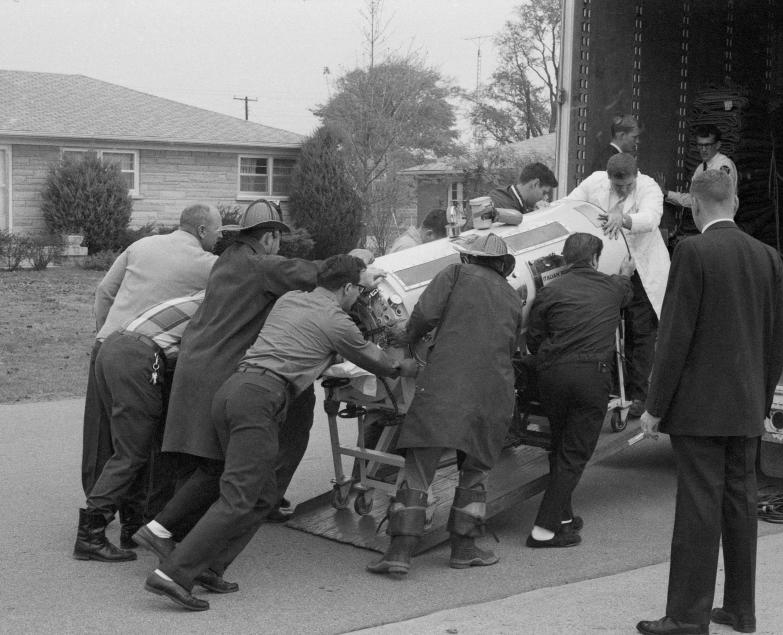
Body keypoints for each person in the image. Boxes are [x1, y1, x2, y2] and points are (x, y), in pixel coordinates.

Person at [144, 255, 418, 611]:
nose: (359, 296)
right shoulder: (336, 320)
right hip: (260, 399)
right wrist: (410, 364)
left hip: (233, 391)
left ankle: (211, 566)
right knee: (240, 496)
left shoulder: (291, 299)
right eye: (358, 289)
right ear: (348, 288)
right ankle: (172, 574)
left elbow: (303, 343)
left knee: (263, 494)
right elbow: (380, 362)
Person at [132, 200, 344, 554]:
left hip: (192, 364)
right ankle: (167, 532)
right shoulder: (259, 266)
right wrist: (352, 267)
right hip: (219, 370)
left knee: (196, 457)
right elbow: (309, 272)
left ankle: (177, 536)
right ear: (270, 238)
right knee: (221, 463)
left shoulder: (226, 262)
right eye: (278, 239)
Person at [634, 169, 783, 635]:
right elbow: (776, 343)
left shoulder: (692, 251)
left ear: (696, 207)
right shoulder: (769, 258)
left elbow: (675, 337)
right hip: (745, 409)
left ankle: (686, 616)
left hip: (699, 412)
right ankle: (741, 610)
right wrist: (761, 401)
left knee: (699, 509)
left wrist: (655, 407)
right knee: (741, 506)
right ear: (735, 203)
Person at [367, 233, 522, 576]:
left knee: (419, 472)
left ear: (470, 258)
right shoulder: (512, 296)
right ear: (502, 266)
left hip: (446, 387)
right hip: (492, 394)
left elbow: (424, 315)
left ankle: (399, 553)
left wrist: (406, 337)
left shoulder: (454, 274)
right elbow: (511, 345)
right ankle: (464, 550)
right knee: (475, 473)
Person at [82, 203, 220, 545]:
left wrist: (106, 331)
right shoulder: (209, 265)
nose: (219, 240)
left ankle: (106, 510)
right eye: (218, 232)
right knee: (143, 441)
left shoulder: (142, 245)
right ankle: (110, 525)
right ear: (202, 231)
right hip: (145, 356)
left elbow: (104, 292)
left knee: (103, 438)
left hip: (107, 346)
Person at [73, 291, 206, 563]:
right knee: (131, 452)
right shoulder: (222, 303)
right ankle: (90, 536)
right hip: (140, 355)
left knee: (136, 445)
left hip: (116, 346)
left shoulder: (204, 294)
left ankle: (132, 528)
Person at [524, 233, 634, 548]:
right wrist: (625, 271)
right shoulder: (613, 288)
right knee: (575, 454)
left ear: (566, 259)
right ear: (596, 259)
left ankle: (563, 518)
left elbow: (533, 339)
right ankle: (543, 530)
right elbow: (626, 287)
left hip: (552, 377)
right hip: (591, 378)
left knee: (560, 446)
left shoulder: (549, 291)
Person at [564, 153, 670, 417]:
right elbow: (569, 204)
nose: (622, 190)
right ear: (608, 178)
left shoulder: (649, 187)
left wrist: (622, 218)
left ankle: (639, 396)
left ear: (637, 175)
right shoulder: (595, 181)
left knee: (641, 333)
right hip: (609, 267)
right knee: (606, 327)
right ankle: (609, 388)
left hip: (641, 270)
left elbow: (651, 219)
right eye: (617, 186)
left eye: (627, 185)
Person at [665, 124, 739, 212]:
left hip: (720, 220)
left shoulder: (724, 165)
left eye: (707, 145)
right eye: (700, 145)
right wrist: (667, 194)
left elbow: (718, 197)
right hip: (706, 220)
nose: (703, 150)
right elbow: (693, 200)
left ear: (718, 145)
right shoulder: (700, 168)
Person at [486, 162, 558, 217]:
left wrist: (533, 211)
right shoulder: (501, 203)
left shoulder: (514, 200)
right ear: (535, 184)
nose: (546, 198)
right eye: (544, 192)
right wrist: (537, 216)